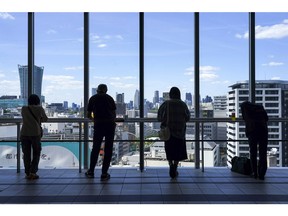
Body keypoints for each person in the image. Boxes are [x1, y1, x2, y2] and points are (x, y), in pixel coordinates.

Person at [85, 84, 116, 181]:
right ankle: (104, 173)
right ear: (106, 90)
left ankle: (91, 171)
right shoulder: (109, 98)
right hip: (110, 125)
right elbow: (114, 114)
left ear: (97, 90)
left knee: (95, 148)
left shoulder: (93, 98)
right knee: (108, 148)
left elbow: (88, 115)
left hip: (98, 125)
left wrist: (95, 119)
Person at [157, 87, 190, 179]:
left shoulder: (166, 104)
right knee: (178, 150)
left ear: (170, 94)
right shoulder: (183, 104)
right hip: (180, 132)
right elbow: (187, 118)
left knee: (169, 150)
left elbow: (159, 117)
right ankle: (175, 166)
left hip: (168, 132)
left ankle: (170, 164)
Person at [21, 94, 48, 180]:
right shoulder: (39, 108)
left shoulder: (24, 109)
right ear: (37, 101)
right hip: (35, 133)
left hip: (24, 133)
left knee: (26, 154)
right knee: (36, 153)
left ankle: (27, 172)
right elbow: (45, 119)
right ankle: (33, 172)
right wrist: (39, 118)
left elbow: (24, 118)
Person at [240, 101, 269, 180]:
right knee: (263, 153)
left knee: (253, 153)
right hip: (263, 131)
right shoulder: (260, 107)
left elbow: (244, 119)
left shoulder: (245, 108)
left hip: (252, 132)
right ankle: (262, 173)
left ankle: (254, 172)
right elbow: (266, 118)